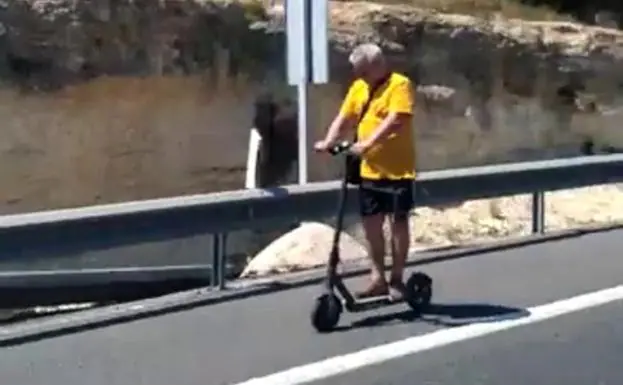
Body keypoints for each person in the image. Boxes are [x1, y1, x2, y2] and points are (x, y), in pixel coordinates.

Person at [314, 43, 416, 300]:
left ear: (378, 66)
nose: (359, 77)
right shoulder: (359, 87)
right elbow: (345, 117)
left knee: (398, 224)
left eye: (364, 72)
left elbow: (397, 119)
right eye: (357, 72)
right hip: (369, 170)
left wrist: (368, 143)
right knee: (371, 225)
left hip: (397, 171)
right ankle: (377, 277)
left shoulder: (399, 85)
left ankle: (397, 279)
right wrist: (328, 141)